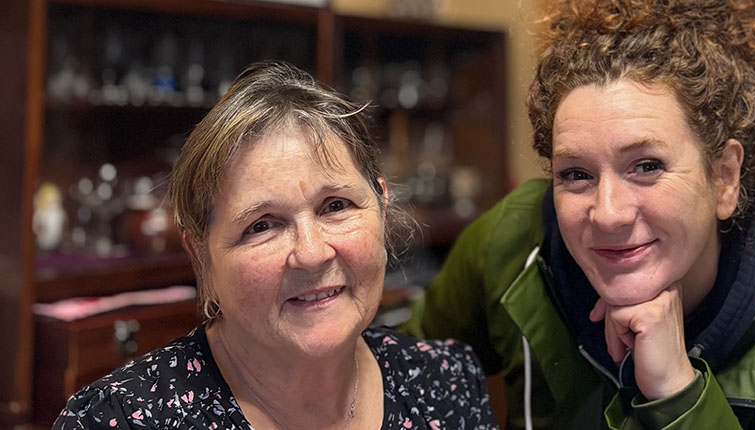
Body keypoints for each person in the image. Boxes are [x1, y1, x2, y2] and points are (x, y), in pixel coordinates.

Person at [401, 0, 755, 428]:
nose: (608, 214)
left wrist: (678, 394)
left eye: (647, 166)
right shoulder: (509, 243)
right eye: (576, 174)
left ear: (724, 177)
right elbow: (400, 375)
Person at [53, 61, 499, 430]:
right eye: (262, 225)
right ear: (201, 258)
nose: (312, 253)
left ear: (381, 208)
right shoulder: (117, 419)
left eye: (335, 206)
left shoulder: (446, 382)